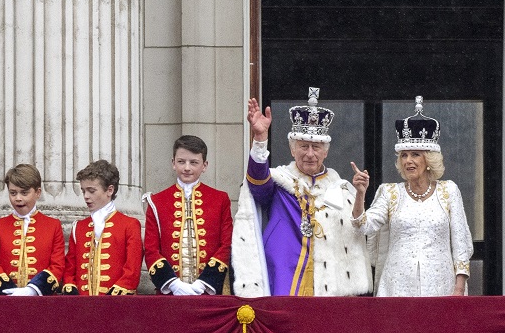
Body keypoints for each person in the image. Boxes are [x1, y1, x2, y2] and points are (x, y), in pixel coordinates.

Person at [232, 88, 371, 296]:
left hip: (330, 281)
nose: (309, 154)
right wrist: (260, 139)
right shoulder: (280, 182)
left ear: (326, 151)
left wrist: (360, 194)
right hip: (285, 273)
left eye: (316, 147)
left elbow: (358, 230)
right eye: (303, 146)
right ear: (292, 149)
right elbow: (258, 183)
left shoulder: (341, 189)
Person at [351, 96, 473, 296]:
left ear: (429, 159)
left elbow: (461, 244)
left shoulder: (448, 191)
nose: (408, 161)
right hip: (396, 286)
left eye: (415, 154)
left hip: (440, 286)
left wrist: (459, 288)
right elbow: (363, 225)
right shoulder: (390, 193)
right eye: (404, 155)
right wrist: (360, 194)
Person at [143, 135, 233, 295]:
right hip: (170, 295)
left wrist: (205, 283)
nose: (187, 168)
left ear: (204, 165)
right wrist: (172, 284)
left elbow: (226, 244)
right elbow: (151, 249)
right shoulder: (156, 201)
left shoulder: (220, 199)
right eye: (181, 161)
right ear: (173, 163)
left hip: (207, 293)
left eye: (194, 162)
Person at [62, 159, 142, 295]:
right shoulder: (79, 227)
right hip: (83, 307)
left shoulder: (129, 225)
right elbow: (70, 268)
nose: (86, 196)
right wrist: (70, 286)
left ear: (109, 190)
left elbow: (132, 270)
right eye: (83, 191)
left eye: (91, 191)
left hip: (118, 306)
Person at [0, 163, 66, 296]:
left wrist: (33, 290)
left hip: (42, 301)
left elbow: (57, 265)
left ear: (38, 193)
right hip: (5, 300)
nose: (18, 198)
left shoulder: (53, 225)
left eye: (24, 193)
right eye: (13, 193)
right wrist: (10, 291)